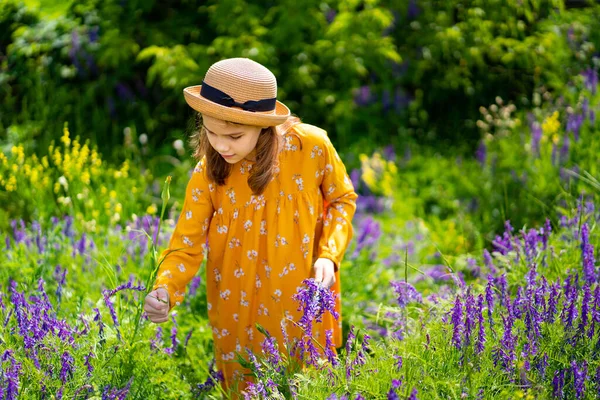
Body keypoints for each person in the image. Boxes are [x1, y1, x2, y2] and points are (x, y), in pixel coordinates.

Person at [143, 57, 357, 394]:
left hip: (303, 302)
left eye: (234, 135)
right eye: (210, 133)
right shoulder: (209, 172)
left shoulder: (311, 148)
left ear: (265, 125)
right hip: (237, 311)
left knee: (309, 386)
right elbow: (186, 243)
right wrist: (165, 290)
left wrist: (329, 255)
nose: (221, 145)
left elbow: (343, 199)